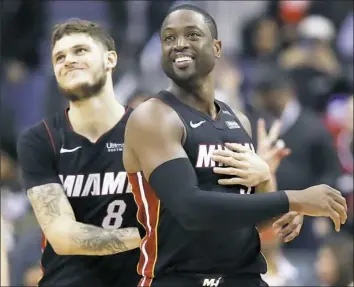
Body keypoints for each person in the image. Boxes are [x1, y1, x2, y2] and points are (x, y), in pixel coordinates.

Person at [123, 5, 348, 287]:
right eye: (169, 38)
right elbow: (190, 209)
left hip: (244, 277)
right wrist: (294, 199)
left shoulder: (237, 120)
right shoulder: (153, 116)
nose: (179, 44)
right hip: (179, 279)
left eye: (192, 34)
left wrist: (268, 184)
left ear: (216, 48)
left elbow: (251, 220)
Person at [17, 19, 141, 287]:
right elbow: (63, 236)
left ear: (110, 59)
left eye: (80, 50)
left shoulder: (149, 131)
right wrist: (148, 236)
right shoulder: (40, 139)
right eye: (59, 57)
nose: (68, 60)